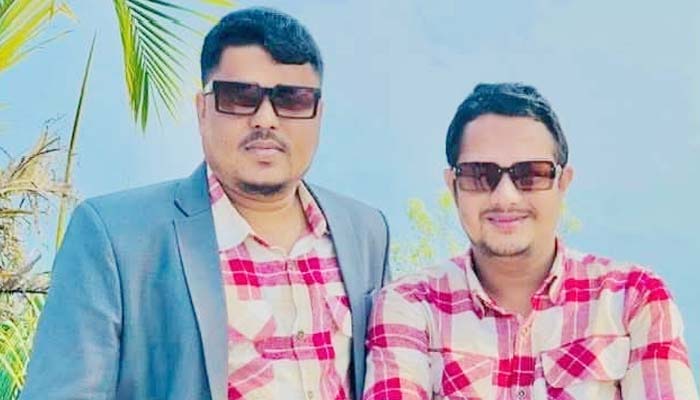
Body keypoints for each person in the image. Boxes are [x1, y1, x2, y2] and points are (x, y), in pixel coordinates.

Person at [22, 7, 390, 400]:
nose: (266, 119)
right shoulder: (116, 237)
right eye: (240, 96)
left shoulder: (365, 232)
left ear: (318, 114)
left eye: (293, 100)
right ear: (202, 110)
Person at [363, 82, 698, 399]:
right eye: (480, 175)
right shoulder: (410, 306)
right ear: (453, 186)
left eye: (531, 174)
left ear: (562, 183)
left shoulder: (632, 299)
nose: (505, 196)